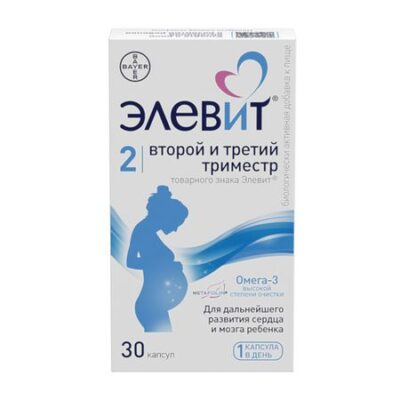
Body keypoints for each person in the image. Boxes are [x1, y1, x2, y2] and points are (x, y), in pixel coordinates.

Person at [127, 186, 189, 332]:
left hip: (155, 304)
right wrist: (164, 265)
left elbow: (156, 262)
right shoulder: (143, 230)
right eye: (176, 222)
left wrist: (169, 266)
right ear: (167, 216)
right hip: (150, 304)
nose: (175, 229)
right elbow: (131, 262)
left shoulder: (148, 231)